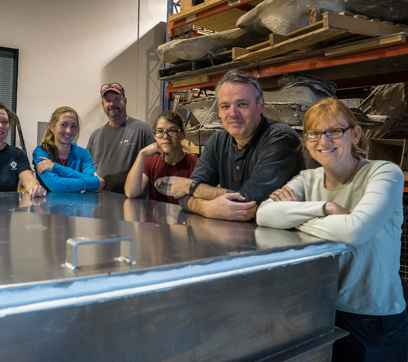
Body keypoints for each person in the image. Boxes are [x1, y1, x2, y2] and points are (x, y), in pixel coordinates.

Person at [256, 98, 407, 361]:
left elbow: (354, 232)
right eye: (314, 133)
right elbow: (264, 214)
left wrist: (294, 217)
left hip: (373, 317)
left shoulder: (384, 173)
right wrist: (326, 207)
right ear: (306, 141)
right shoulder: (307, 179)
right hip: (321, 309)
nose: (323, 141)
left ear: (355, 135)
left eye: (334, 131)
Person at [172, 70, 304, 221]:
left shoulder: (280, 138)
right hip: (235, 235)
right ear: (219, 112)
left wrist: (192, 188)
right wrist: (206, 208)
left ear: (260, 105)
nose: (233, 113)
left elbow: (247, 201)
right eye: (225, 106)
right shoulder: (217, 140)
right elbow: (182, 196)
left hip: (281, 238)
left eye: (242, 104)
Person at [87, 82, 155, 194]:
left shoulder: (143, 130)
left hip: (133, 202)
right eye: (108, 100)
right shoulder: (95, 136)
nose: (112, 104)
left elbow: (155, 166)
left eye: (117, 99)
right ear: (103, 104)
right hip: (101, 200)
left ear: (125, 101)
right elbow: (87, 168)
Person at [124, 110, 198, 204]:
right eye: (160, 131)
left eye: (172, 131)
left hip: (183, 218)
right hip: (154, 218)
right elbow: (131, 193)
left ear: (183, 134)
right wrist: (141, 154)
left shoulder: (195, 165)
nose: (165, 136)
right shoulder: (150, 162)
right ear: (155, 136)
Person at [33, 106, 105, 192]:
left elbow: (93, 182)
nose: (69, 131)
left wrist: (56, 167)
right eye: (64, 125)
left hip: (77, 204)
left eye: (73, 126)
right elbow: (55, 185)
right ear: (52, 126)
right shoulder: (41, 152)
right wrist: (93, 182)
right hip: (48, 204)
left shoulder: (83, 154)